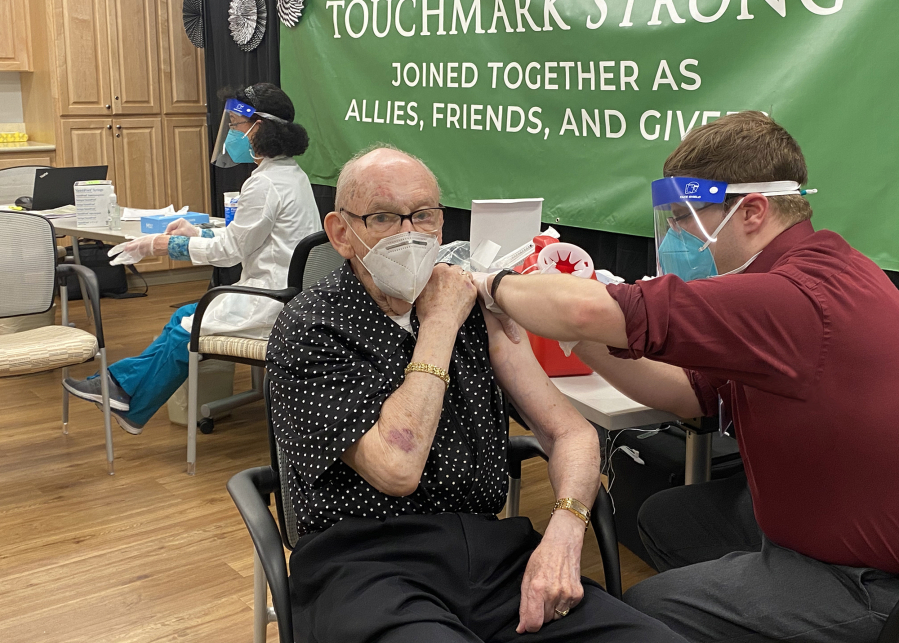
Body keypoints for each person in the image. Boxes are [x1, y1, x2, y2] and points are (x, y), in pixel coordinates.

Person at [474, 111, 899, 642]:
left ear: (752, 211)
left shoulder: (790, 297)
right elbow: (689, 396)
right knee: (666, 519)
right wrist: (581, 342)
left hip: (867, 576)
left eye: (685, 218)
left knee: (651, 604)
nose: (676, 235)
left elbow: (586, 310)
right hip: (824, 516)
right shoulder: (827, 266)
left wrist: (491, 283)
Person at [265, 145, 686, 643]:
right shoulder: (312, 326)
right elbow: (397, 468)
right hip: (365, 563)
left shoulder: (476, 309)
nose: (409, 233)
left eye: (423, 215)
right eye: (383, 218)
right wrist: (440, 322)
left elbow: (570, 433)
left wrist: (565, 532)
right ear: (340, 233)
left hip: (491, 554)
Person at [63, 83, 322, 434]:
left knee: (187, 324)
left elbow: (229, 252)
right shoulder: (290, 175)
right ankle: (123, 394)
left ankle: (122, 390)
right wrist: (196, 233)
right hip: (287, 295)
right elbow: (243, 241)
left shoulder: (265, 185)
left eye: (234, 124)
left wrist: (162, 246)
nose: (230, 132)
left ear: (258, 127)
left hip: (272, 300)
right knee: (184, 317)